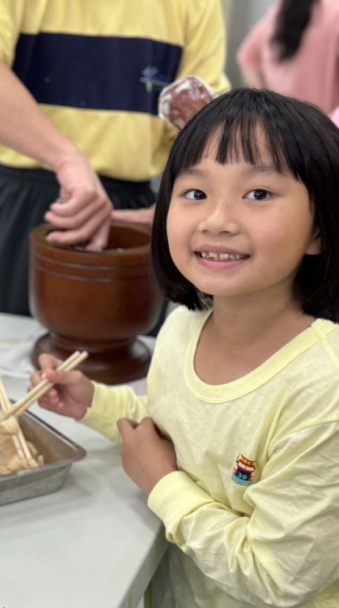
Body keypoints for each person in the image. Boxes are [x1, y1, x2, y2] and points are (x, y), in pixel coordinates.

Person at [33, 89, 339, 606]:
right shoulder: (184, 324)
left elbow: (278, 576)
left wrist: (161, 484)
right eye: (194, 193)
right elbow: (178, 426)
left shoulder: (323, 390)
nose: (216, 219)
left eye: (259, 193)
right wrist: (95, 402)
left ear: (320, 228)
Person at [0, 0, 230, 315]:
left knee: (125, 352)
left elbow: (206, 123)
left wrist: (182, 208)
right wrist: (66, 158)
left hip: (135, 211)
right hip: (23, 201)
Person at [238, 0, 339, 115]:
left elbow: (248, 60)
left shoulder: (283, 8)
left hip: (281, 127)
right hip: (322, 128)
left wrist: (268, 110)